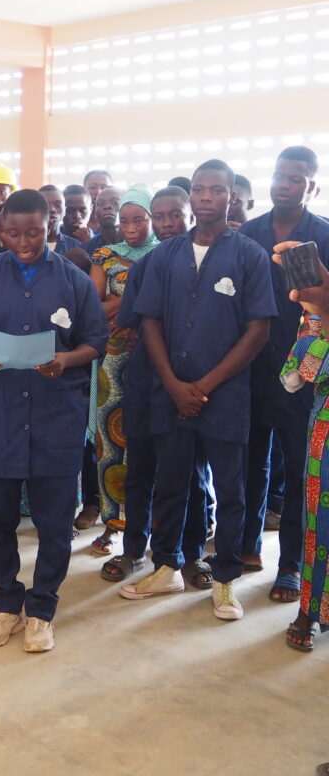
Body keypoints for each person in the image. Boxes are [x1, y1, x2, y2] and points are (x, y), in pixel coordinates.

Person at [0, 189, 108, 652]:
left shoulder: (74, 281)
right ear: (0, 232)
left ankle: (41, 609)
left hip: (54, 414)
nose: (25, 242)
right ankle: (6, 604)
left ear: (49, 227)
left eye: (35, 233)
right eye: (14, 233)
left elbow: (95, 339)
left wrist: (67, 358)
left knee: (55, 522)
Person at [121, 160, 277, 622]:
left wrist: (204, 386)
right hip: (170, 393)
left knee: (230, 489)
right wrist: (172, 383)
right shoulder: (164, 257)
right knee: (172, 483)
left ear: (232, 196)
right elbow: (149, 320)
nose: (207, 197)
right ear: (191, 196)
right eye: (199, 189)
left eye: (217, 190)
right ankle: (167, 565)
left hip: (224, 396)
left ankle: (226, 578)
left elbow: (259, 331)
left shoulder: (248, 255)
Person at [100, 187, 211, 588]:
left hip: (192, 384)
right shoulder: (149, 263)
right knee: (140, 469)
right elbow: (129, 315)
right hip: (146, 380)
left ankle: (190, 555)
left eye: (174, 216)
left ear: (191, 214)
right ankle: (133, 550)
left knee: (190, 475)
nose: (167, 224)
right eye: (159, 216)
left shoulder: (209, 262)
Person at [240, 147, 329, 604]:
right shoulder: (250, 234)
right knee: (251, 465)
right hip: (253, 369)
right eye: (279, 175)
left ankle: (290, 564)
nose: (285, 184)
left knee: (296, 473)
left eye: (296, 178)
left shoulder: (324, 236)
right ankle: (247, 547)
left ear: (311, 185)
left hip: (304, 377)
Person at [80, 185, 159, 556]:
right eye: (125, 220)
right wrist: (131, 304)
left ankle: (151, 523)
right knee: (109, 447)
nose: (131, 227)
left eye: (139, 219)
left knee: (150, 446)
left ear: (151, 219)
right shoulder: (105, 255)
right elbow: (92, 308)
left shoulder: (165, 253)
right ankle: (113, 524)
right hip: (111, 363)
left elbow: (161, 305)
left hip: (154, 359)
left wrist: (122, 302)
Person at [275, 240, 329, 652]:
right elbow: (296, 377)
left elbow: (298, 372)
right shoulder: (316, 310)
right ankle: (309, 611)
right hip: (325, 432)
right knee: (320, 524)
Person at [38, 185, 79, 253]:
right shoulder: (24, 245)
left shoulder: (75, 246)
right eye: (45, 205)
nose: (52, 209)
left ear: (65, 210)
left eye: (58, 205)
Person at [86, 186, 123, 255]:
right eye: (100, 204)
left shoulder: (139, 246)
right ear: (95, 212)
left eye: (115, 202)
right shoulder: (86, 249)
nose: (107, 206)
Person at [83, 169, 112, 233]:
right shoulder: (76, 220)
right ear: (84, 189)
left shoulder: (118, 223)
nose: (98, 192)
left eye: (103, 187)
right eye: (92, 187)